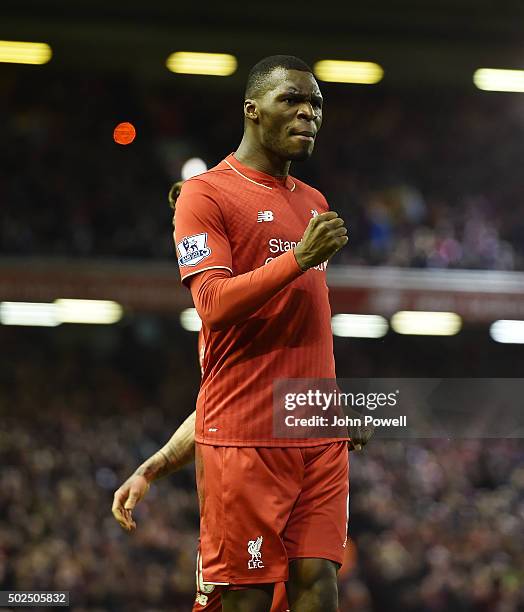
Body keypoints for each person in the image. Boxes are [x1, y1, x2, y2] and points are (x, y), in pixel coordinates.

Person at [116, 54, 372, 612]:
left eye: (316, 104)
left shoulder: (313, 201)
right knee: (248, 597)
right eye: (292, 101)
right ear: (252, 109)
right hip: (246, 438)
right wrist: (299, 258)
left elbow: (303, 328)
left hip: (313, 430)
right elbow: (211, 304)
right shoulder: (202, 196)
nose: (308, 114)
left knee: (319, 584)